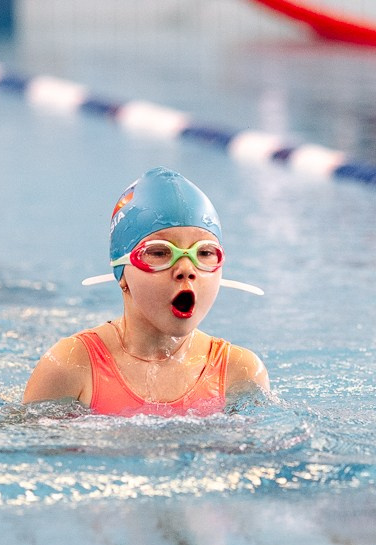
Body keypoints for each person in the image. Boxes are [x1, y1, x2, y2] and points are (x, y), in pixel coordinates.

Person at [23, 167, 269, 416]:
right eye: (160, 253)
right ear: (122, 272)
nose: (186, 269)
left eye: (204, 253)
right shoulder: (71, 366)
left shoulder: (239, 372)